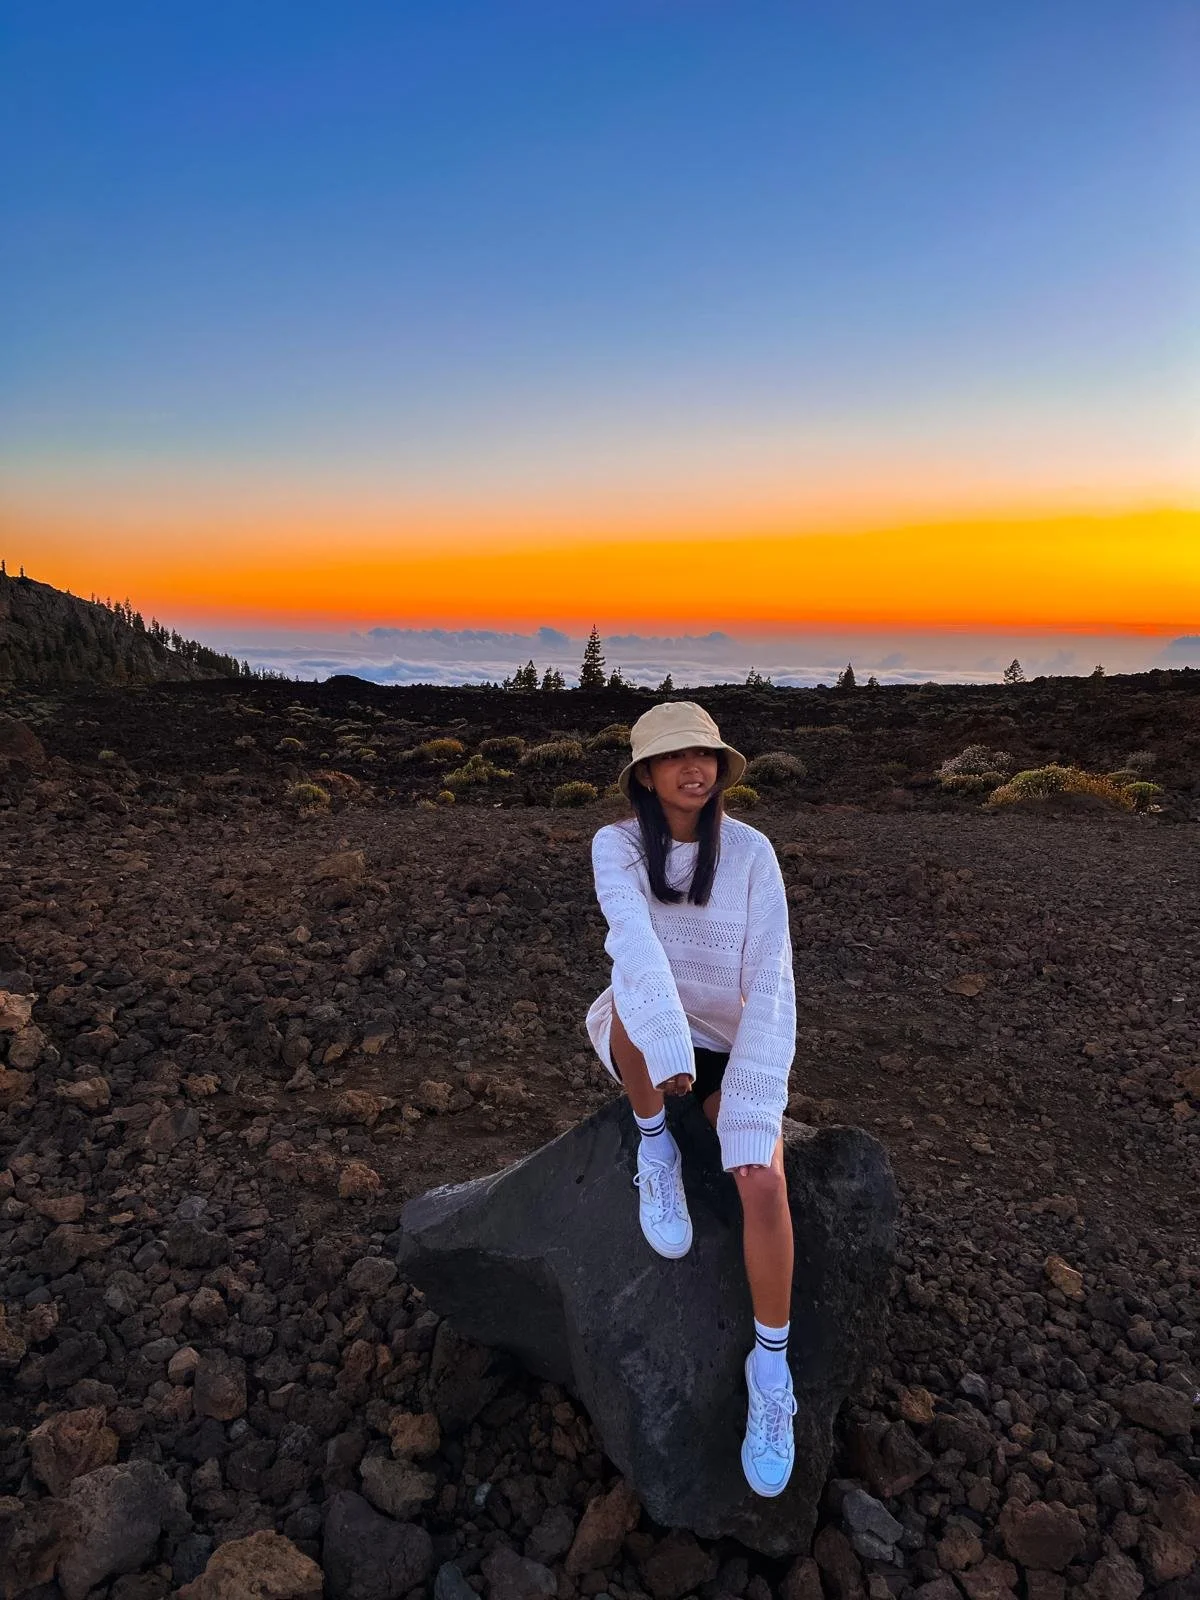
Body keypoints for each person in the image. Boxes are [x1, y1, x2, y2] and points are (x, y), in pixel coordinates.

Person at [584, 700, 798, 1498]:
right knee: (634, 1007)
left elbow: (772, 978)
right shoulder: (617, 847)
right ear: (645, 774)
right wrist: (671, 1044)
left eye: (705, 754)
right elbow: (632, 946)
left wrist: (747, 1088)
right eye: (675, 757)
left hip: (734, 1044)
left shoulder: (750, 853)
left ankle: (769, 1370)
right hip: (651, 1033)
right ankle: (654, 1145)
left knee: (764, 1179)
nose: (694, 768)